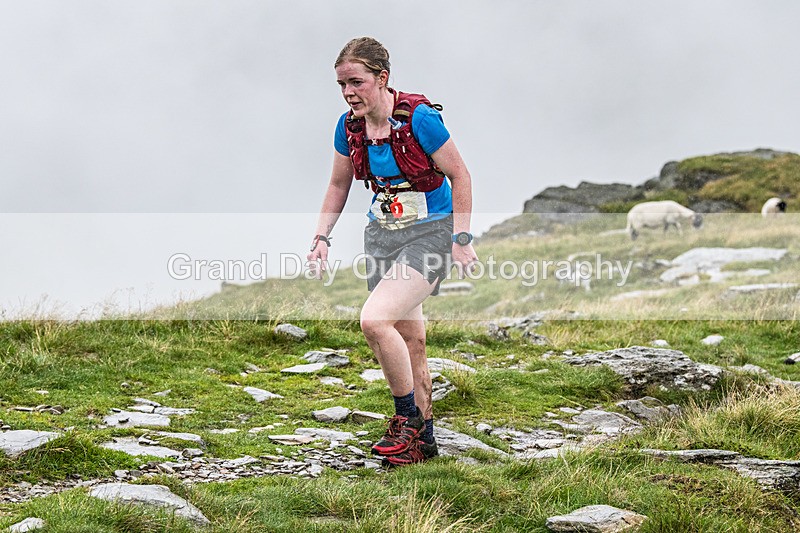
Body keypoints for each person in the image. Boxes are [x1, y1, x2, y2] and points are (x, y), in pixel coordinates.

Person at [307, 37, 478, 466]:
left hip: (431, 233)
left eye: (357, 82)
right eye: (342, 85)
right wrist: (321, 237)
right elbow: (338, 184)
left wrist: (461, 239)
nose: (349, 93)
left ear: (382, 78)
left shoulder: (419, 118)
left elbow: (460, 175)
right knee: (410, 339)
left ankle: (406, 421)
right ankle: (424, 444)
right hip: (383, 235)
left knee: (374, 320)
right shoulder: (348, 127)